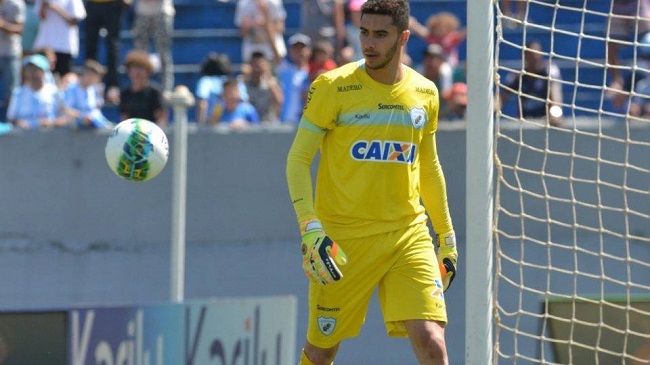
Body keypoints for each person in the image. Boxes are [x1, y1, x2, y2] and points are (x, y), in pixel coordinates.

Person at [285, 0, 459, 363]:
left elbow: (429, 166)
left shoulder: (425, 92)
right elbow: (298, 160)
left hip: (407, 235)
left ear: (404, 37)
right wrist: (310, 228)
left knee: (432, 341)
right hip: (342, 242)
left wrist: (445, 237)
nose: (369, 43)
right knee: (320, 352)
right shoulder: (332, 87)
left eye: (381, 34)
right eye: (364, 32)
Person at [500, 40, 564, 126]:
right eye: (531, 55)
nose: (534, 58)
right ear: (525, 56)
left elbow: (556, 97)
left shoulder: (549, 71)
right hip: (525, 123)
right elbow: (502, 98)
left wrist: (555, 113)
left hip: (545, 121)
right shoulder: (517, 76)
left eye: (536, 54)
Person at [84, 0, 132, 104]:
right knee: (90, 46)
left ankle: (112, 88)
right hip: (93, 3)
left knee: (112, 46)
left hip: (113, 3)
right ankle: (89, 86)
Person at [6, 54, 69, 129]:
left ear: (43, 71)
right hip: (24, 138)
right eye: (29, 69)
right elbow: (11, 119)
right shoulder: (18, 93)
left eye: (35, 69)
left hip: (50, 136)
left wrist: (51, 123)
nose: (31, 73)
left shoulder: (55, 92)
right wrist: (19, 123)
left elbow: (66, 118)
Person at [32, 0, 86, 78]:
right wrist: (44, 5)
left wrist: (55, 7)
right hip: (45, 45)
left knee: (63, 79)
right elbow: (41, 16)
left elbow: (73, 21)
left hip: (64, 46)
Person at [132, 0, 175, 95]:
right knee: (140, 55)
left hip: (162, 12)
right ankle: (141, 86)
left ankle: (167, 88)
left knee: (163, 52)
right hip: (142, 13)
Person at [194, 52, 249, 125]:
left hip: (235, 125)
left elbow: (202, 104)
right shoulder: (236, 82)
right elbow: (246, 102)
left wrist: (201, 124)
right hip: (215, 123)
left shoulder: (205, 81)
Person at [119, 49, 167, 126]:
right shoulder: (125, 94)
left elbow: (161, 118)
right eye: (133, 68)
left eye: (141, 69)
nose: (137, 72)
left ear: (148, 71)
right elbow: (125, 119)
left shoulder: (154, 92)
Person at [63, 59, 112, 129]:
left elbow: (96, 110)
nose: (94, 79)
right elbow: (67, 110)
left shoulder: (94, 90)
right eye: (91, 76)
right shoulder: (72, 89)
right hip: (76, 128)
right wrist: (81, 117)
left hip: (93, 125)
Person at [234, 0, 287, 64]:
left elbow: (280, 28)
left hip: (272, 48)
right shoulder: (243, 4)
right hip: (252, 48)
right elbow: (242, 33)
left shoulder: (275, 2)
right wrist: (251, 24)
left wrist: (266, 22)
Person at [277, 33, 311, 124]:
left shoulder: (313, 73)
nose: (300, 51)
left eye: (302, 48)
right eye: (296, 49)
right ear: (290, 51)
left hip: (306, 125)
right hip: (285, 121)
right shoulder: (285, 70)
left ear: (309, 51)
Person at [243, 51, 283, 123]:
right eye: (254, 63)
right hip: (249, 124)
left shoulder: (270, 83)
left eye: (260, 64)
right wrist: (245, 75)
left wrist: (267, 73)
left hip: (267, 123)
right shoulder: (244, 83)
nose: (257, 68)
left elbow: (279, 100)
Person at [0, 0, 25, 114]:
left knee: (11, 92)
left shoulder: (15, 4)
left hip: (10, 53)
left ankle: (9, 119)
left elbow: (20, 29)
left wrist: (3, 24)